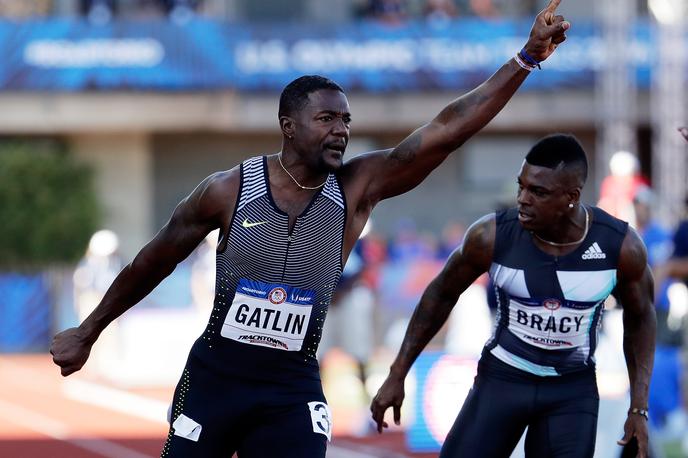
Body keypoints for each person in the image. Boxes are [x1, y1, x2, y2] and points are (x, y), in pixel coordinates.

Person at [49, 2, 569, 456]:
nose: (341, 129)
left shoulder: (356, 188)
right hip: (216, 377)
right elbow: (153, 261)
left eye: (345, 119)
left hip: (291, 385)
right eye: (326, 119)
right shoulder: (227, 189)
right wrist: (89, 330)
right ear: (289, 126)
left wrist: (524, 60)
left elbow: (444, 132)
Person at [371, 134, 656, 458]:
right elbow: (440, 293)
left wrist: (639, 408)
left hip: (570, 391)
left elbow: (642, 317)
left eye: (538, 192)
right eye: (521, 186)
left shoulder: (619, 247)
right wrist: (398, 373)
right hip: (503, 379)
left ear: (571, 197)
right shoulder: (490, 236)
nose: (522, 199)